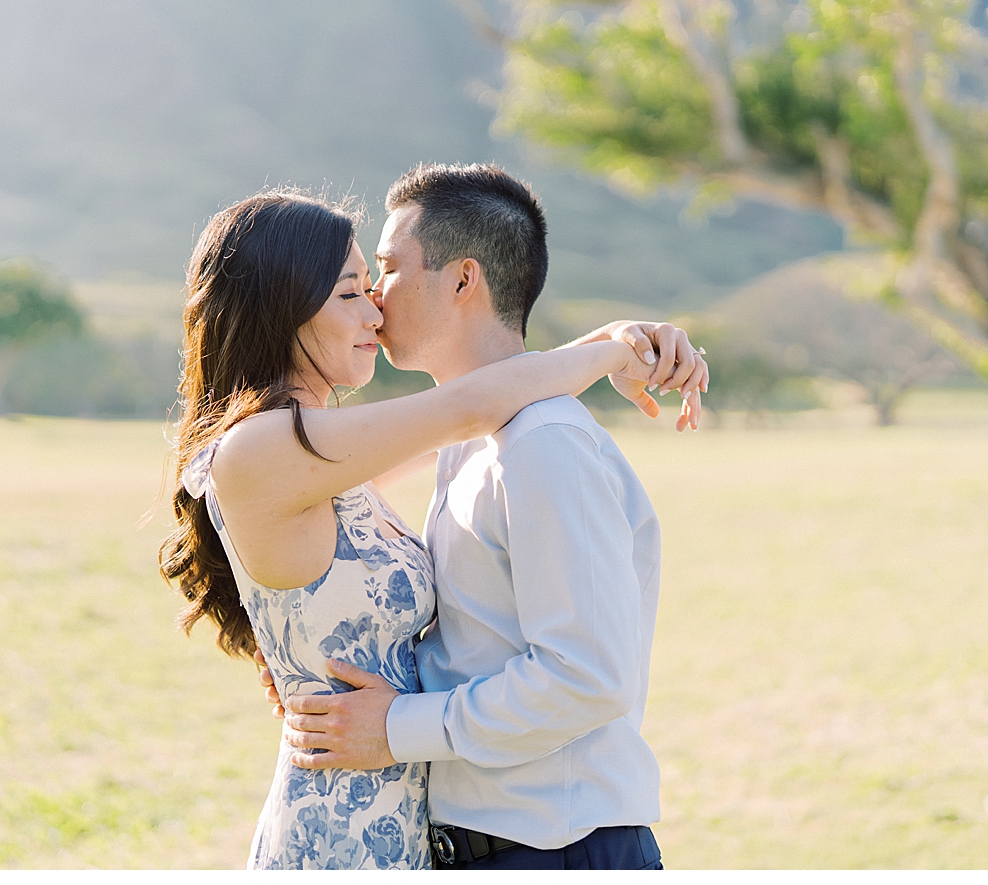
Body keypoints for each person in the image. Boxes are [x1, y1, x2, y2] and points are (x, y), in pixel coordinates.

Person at [158, 186, 703, 870]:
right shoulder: (261, 451)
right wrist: (617, 349)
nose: (375, 306)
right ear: (283, 304)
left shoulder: (381, 452)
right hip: (343, 835)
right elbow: (473, 403)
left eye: (377, 278)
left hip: (439, 831)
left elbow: (480, 401)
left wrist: (614, 344)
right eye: (351, 291)